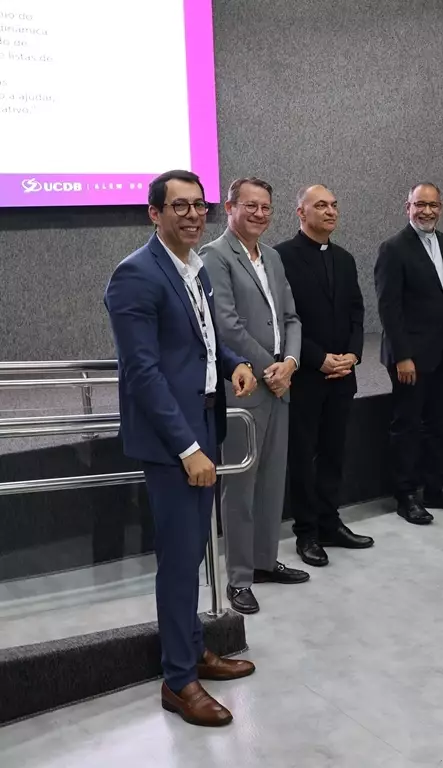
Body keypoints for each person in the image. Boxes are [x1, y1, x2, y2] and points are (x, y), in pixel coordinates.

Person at [104, 169, 259, 727]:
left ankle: (193, 651)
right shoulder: (135, 275)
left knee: (193, 553)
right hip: (175, 442)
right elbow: (143, 374)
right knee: (177, 562)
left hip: (204, 426)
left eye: (199, 206)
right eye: (180, 206)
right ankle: (177, 680)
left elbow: (204, 340)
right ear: (154, 213)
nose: (194, 215)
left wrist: (235, 364)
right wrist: (189, 447)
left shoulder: (195, 268)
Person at [200, 177, 309, 615]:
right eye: (250, 206)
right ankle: (240, 577)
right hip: (245, 386)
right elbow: (227, 325)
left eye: (265, 207)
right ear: (230, 208)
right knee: (240, 487)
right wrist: (271, 369)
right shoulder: (215, 255)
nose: (260, 214)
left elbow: (292, 318)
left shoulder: (274, 257)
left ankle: (265, 561)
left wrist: (291, 363)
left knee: (271, 479)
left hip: (280, 382)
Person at [275, 185, 374, 568]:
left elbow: (356, 312)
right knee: (303, 456)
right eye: (321, 205)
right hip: (305, 374)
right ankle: (307, 532)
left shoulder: (344, 258)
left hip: (342, 374)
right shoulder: (281, 257)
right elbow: (283, 319)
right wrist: (318, 359)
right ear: (300, 213)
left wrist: (353, 354)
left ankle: (331, 522)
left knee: (334, 452)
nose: (331, 211)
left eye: (334, 205)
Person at [374, 183, 443, 524]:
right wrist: (402, 355)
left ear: (441, 208)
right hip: (410, 357)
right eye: (420, 205)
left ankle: (434, 486)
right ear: (408, 207)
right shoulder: (393, 248)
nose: (427, 211)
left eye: (433, 205)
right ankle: (406, 495)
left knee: (438, 423)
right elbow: (388, 307)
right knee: (407, 425)